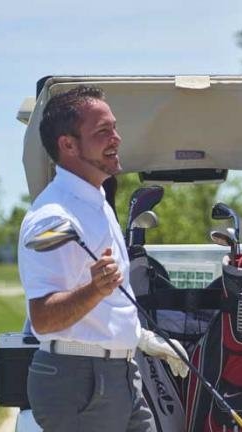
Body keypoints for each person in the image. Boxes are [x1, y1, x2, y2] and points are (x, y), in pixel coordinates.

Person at [18, 86, 187, 431]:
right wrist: (95, 289)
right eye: (102, 132)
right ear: (68, 145)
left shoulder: (96, 201)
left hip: (120, 375)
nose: (116, 139)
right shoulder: (54, 216)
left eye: (114, 128)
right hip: (78, 382)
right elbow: (44, 319)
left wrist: (142, 338)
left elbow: (106, 309)